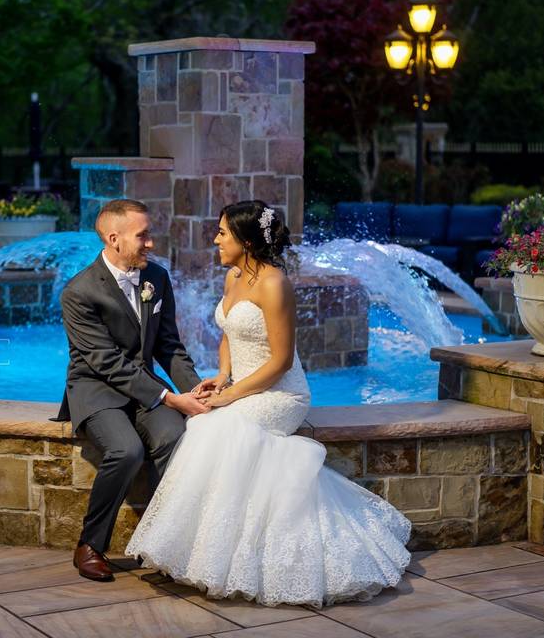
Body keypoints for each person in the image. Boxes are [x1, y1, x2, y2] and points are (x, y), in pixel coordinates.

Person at [126, 200, 412, 607]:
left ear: (245, 240)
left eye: (222, 233)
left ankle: (248, 562)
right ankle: (202, 556)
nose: (215, 239)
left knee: (215, 427)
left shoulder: (275, 284)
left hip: (281, 393)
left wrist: (230, 396)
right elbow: (227, 332)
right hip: (244, 385)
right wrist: (221, 376)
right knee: (207, 426)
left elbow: (279, 362)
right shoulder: (233, 276)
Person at [56, 198, 207, 582]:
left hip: (145, 390)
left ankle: (164, 542)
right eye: (143, 236)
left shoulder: (156, 278)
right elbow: (105, 361)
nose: (151, 243)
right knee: (126, 450)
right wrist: (171, 398)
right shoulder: (79, 292)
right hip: (97, 390)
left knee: (176, 436)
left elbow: (168, 346)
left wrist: (199, 394)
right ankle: (89, 545)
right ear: (114, 238)